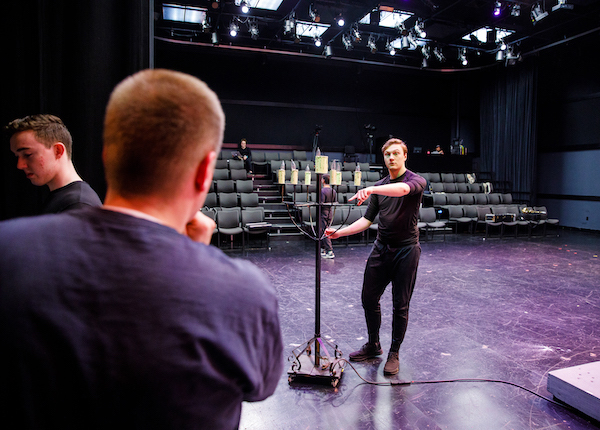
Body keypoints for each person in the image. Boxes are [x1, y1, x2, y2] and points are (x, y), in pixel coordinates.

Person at [0, 69, 283, 429]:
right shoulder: (245, 292)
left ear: (107, 157)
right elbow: (258, 388)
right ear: (204, 171)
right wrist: (198, 262)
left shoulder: (7, 249)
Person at [326, 138, 426, 376]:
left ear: (404, 156)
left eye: (395, 154)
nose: (390, 158)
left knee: (400, 305)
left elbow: (402, 190)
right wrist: (340, 232)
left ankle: (394, 352)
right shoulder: (380, 187)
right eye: (387, 155)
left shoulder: (415, 181)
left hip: (406, 251)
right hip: (382, 249)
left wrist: (371, 188)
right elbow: (367, 221)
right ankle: (374, 344)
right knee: (368, 298)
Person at [6, 114, 102, 213]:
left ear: (58, 151)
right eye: (17, 156)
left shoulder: (79, 205)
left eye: (27, 154)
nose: (20, 165)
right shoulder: (66, 200)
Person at [320, 173, 337, 259]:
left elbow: (321, 203)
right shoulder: (333, 191)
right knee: (324, 230)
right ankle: (323, 249)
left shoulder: (322, 191)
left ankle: (330, 251)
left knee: (324, 231)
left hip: (323, 213)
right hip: (330, 212)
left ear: (323, 180)